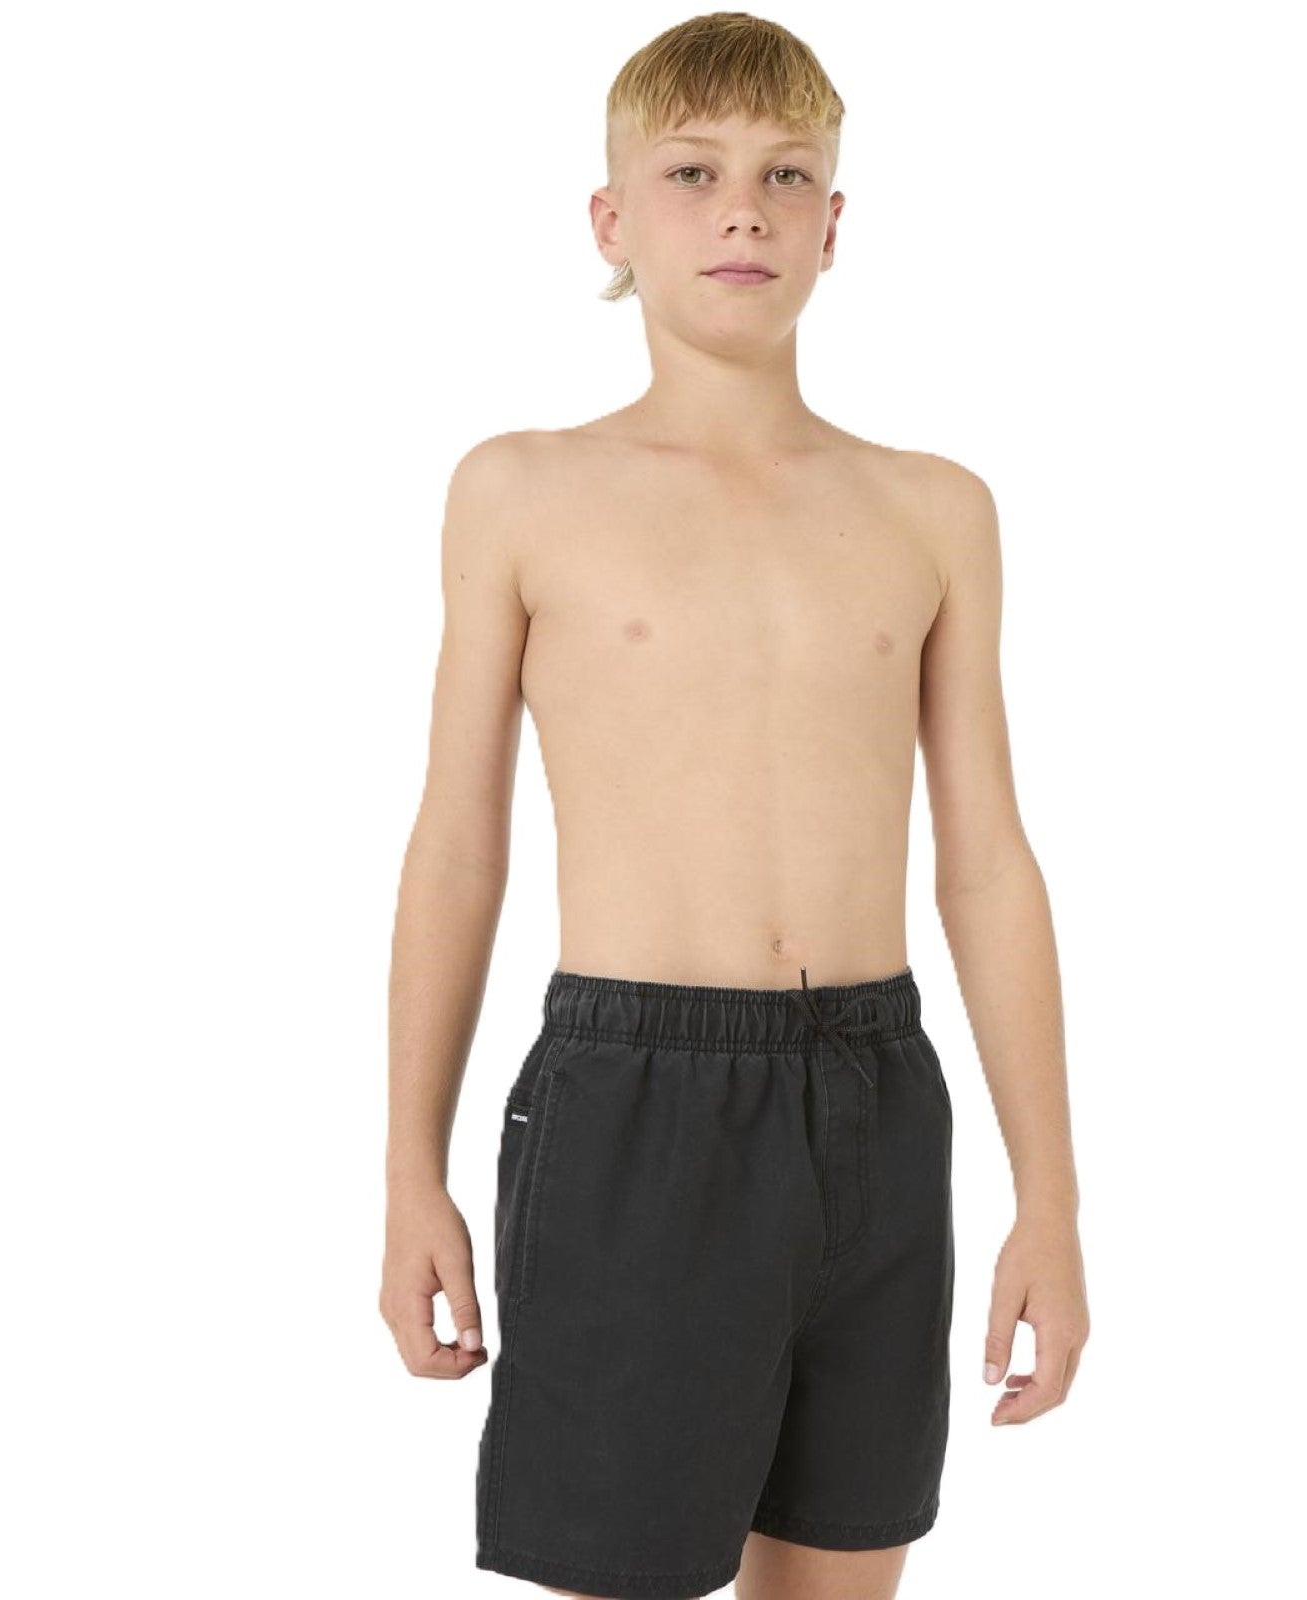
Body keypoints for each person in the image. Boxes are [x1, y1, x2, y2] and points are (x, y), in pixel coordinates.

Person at [379, 13, 1089, 1599]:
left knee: (842, 1574)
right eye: (693, 174)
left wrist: (1048, 1198)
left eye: (786, 176)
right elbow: (458, 846)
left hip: (875, 1099)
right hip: (636, 1102)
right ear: (612, 219)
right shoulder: (522, 490)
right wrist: (409, 1168)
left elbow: (987, 862)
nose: (744, 212)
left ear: (835, 223)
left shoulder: (934, 509)